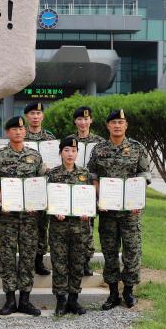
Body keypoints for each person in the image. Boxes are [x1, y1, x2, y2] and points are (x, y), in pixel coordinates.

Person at [87, 109, 151, 310]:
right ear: (107, 126)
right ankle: (113, 292)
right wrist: (100, 196)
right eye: (113, 122)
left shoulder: (136, 148)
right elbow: (93, 175)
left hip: (130, 212)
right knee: (110, 251)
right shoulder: (99, 149)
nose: (117, 125)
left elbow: (144, 174)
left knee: (132, 250)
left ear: (126, 125)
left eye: (120, 122)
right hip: (108, 211)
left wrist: (136, 199)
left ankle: (129, 291)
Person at [0, 116, 46, 316]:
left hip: (29, 217)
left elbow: (41, 183)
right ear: (7, 133)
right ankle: (10, 300)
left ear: (25, 132)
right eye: (14, 129)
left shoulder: (35, 156)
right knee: (7, 257)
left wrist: (36, 203)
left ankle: (25, 300)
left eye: (21, 129)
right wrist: (2, 199)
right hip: (8, 216)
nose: (18, 132)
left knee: (28, 257)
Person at [47, 136, 92, 316]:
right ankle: (60, 301)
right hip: (59, 227)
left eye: (73, 151)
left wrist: (87, 210)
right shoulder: (53, 174)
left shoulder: (85, 174)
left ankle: (73, 300)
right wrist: (54, 210)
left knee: (77, 263)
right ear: (60, 153)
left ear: (77, 153)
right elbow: (47, 199)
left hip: (80, 228)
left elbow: (90, 198)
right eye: (66, 150)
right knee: (59, 264)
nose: (70, 154)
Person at [72, 106, 105, 276]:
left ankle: (85, 261)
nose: (83, 122)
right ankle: (73, 260)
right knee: (72, 227)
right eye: (79, 119)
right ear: (75, 121)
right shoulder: (69, 141)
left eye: (86, 119)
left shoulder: (100, 143)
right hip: (72, 189)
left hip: (90, 190)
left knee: (88, 228)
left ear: (91, 120)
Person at [24, 102, 55, 276]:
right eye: (32, 113)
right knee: (26, 225)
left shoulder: (50, 139)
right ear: (27, 117)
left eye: (38, 113)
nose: (36, 116)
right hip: (25, 189)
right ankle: (26, 259)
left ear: (42, 116)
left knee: (42, 225)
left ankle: (39, 259)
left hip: (44, 188)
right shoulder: (21, 135)